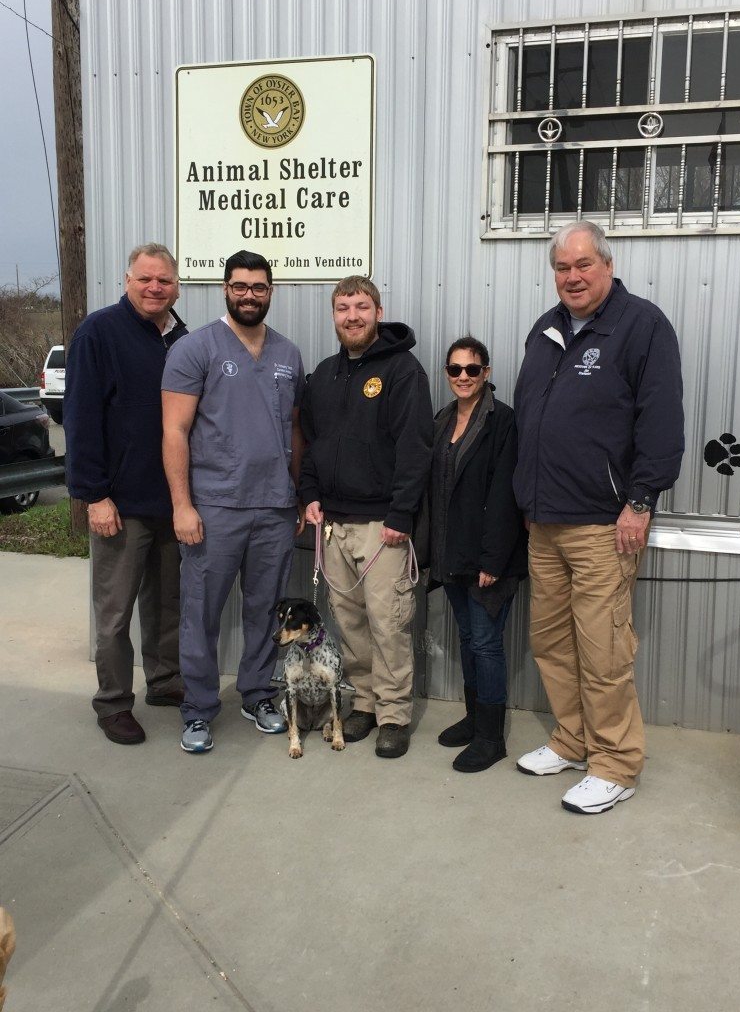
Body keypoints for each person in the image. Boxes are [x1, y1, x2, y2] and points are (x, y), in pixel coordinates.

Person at [513, 220, 684, 814]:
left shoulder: (641, 327)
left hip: (603, 524)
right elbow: (532, 417)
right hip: (545, 520)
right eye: (562, 268)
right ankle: (573, 738)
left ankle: (615, 763)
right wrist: (526, 500)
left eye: (583, 264)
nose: (573, 276)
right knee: (552, 642)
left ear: (607, 266)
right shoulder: (546, 329)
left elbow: (661, 424)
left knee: (604, 649)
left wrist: (640, 504)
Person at [162, 250, 305, 754]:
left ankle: (257, 694)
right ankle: (199, 709)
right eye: (240, 286)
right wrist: (182, 504)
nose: (250, 294)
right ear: (225, 288)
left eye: (259, 287)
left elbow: (292, 430)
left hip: (274, 507)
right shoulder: (195, 349)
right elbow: (174, 431)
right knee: (201, 611)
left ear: (271, 291)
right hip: (215, 505)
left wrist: (297, 493)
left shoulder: (288, 354)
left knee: (265, 610)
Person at [300, 276, 433, 759]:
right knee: (350, 622)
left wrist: (401, 512)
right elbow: (313, 445)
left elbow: (415, 450)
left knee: (388, 623)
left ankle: (395, 714)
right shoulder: (325, 373)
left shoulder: (402, 371)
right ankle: (366, 703)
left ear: (378, 310)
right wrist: (310, 494)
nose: (351, 316)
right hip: (333, 523)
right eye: (342, 308)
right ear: (333, 315)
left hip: (383, 525)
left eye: (360, 306)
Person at [65, 243, 188, 745]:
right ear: (127, 280)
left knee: (166, 603)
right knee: (114, 612)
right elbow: (81, 418)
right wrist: (94, 495)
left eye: (163, 280)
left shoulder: (182, 338)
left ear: (176, 285)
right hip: (119, 502)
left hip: (171, 498)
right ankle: (113, 702)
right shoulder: (99, 333)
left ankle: (164, 681)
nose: (155, 288)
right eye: (145, 279)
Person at [429, 337, 528, 773]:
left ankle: (491, 738)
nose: (463, 377)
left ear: (486, 372)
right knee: (468, 639)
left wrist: (492, 560)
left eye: (472, 369)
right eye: (455, 369)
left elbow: (505, 494)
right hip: (452, 553)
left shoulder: (502, 420)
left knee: (487, 645)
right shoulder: (442, 419)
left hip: (490, 558)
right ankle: (473, 720)